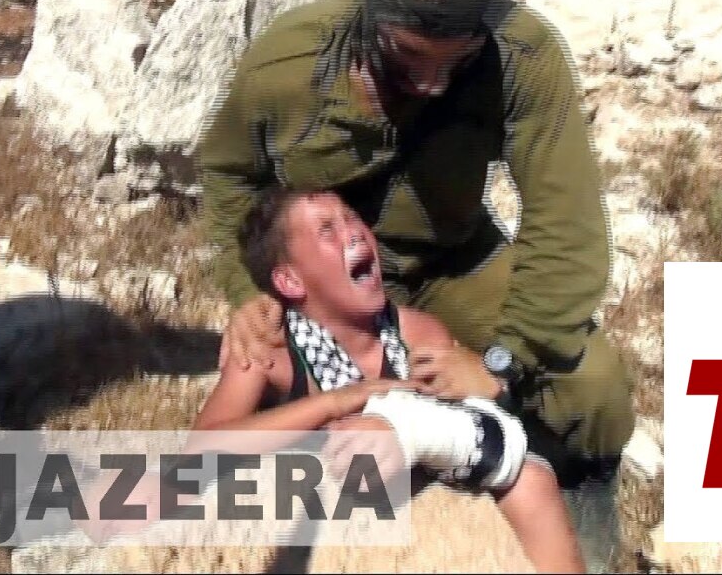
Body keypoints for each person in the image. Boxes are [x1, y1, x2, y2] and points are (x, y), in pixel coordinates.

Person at [195, 0, 635, 570]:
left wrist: (500, 364)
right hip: (333, 286)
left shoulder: (523, 56)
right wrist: (248, 293)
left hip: (454, 262)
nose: (432, 83)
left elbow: (567, 229)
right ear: (372, 18)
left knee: (592, 388)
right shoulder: (289, 61)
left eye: (457, 60)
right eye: (408, 58)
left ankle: (575, 511)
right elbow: (227, 175)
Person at [196, 187, 587, 573]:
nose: (353, 232)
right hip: (313, 505)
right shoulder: (269, 350)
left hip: (415, 500)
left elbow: (469, 437)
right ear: (291, 282)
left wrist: (473, 395)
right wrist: (337, 402)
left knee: (531, 480)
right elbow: (200, 452)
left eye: (352, 218)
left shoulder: (417, 334)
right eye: (327, 230)